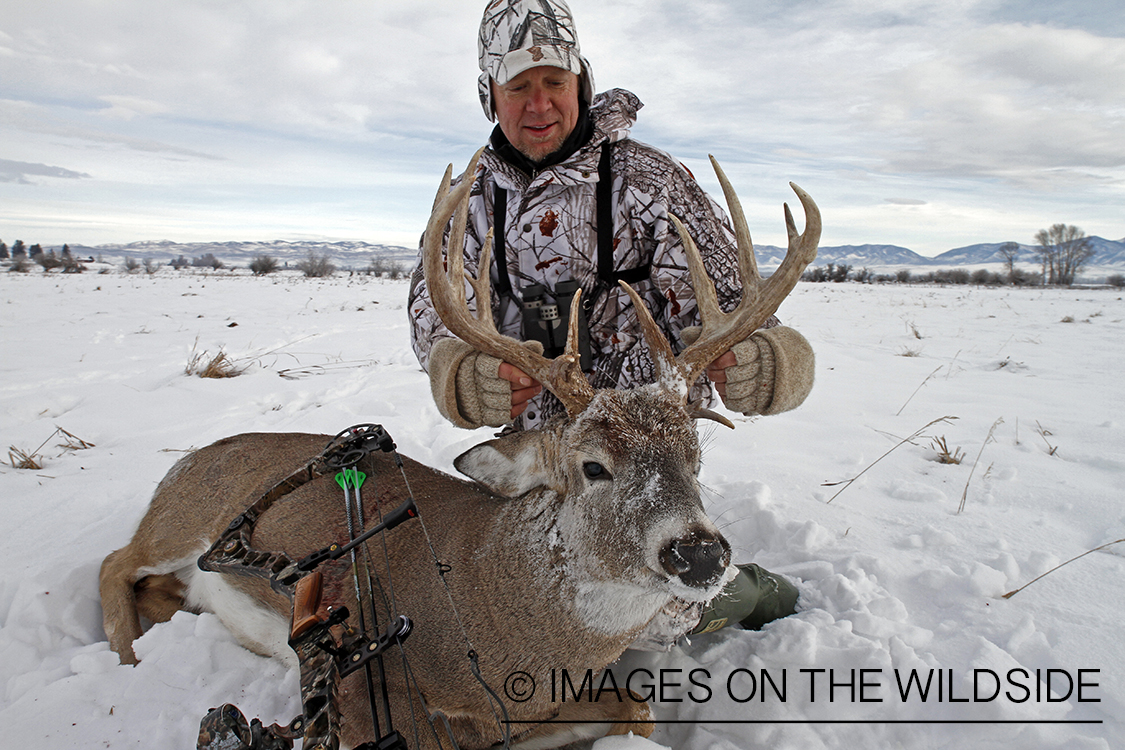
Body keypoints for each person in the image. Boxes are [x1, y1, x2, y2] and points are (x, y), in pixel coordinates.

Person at [408, 0, 811, 644]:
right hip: (548, 452)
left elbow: (729, 300)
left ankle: (750, 592)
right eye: (518, 86)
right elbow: (434, 312)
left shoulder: (647, 180)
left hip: (648, 449)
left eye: (554, 83)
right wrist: (461, 372)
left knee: (646, 618)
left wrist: (768, 359)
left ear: (580, 84)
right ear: (491, 96)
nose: (539, 104)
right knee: (515, 599)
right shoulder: (471, 202)